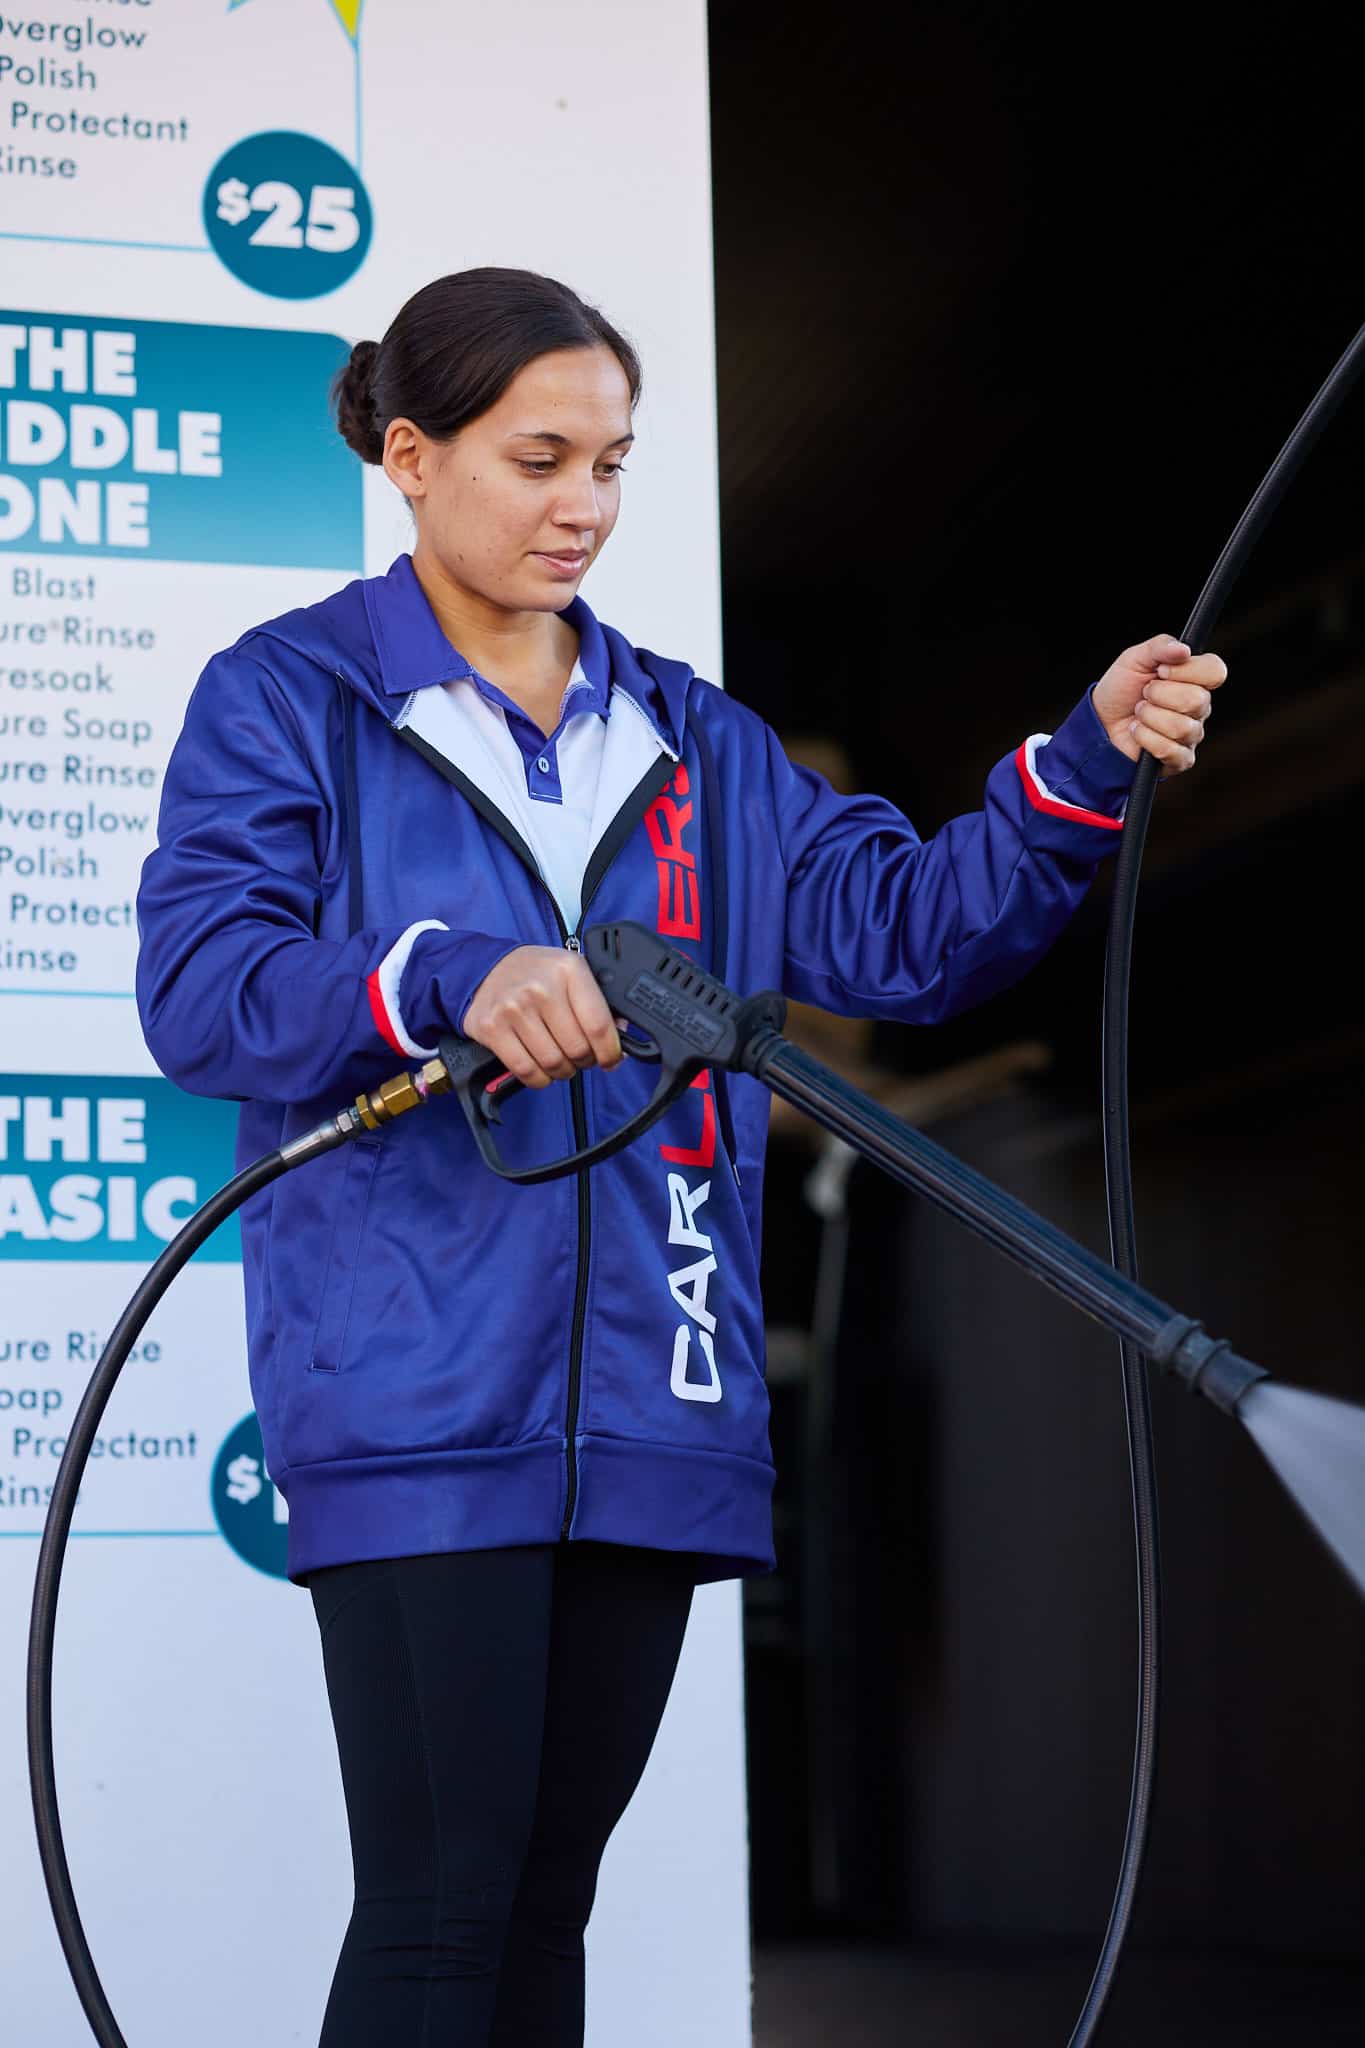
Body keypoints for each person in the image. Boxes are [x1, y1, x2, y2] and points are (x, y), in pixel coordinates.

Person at [133, 266, 1225, 2046]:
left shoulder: (692, 736)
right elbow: (201, 988)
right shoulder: (289, 701)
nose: (584, 507)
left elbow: (901, 934)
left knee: (542, 1915)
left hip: (657, 1395)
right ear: (411, 458)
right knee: (439, 1910)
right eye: (539, 455)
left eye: (614, 464)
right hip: (419, 1406)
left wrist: (1081, 763)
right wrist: (443, 976)